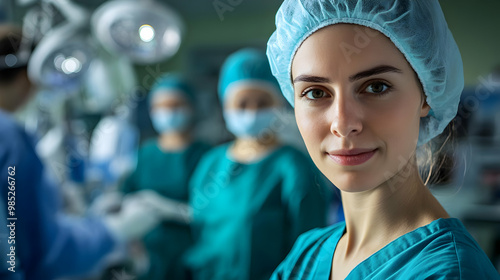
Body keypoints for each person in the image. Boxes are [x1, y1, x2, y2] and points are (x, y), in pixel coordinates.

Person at [266, 0, 500, 279]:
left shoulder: (448, 272)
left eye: (376, 87)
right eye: (316, 93)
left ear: (426, 94)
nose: (342, 124)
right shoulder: (307, 253)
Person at [0, 25, 165, 280]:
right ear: (27, 77)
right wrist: (112, 232)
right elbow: (41, 254)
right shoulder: (9, 136)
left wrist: (79, 219)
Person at [184, 48, 329, 280]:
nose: (251, 112)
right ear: (225, 107)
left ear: (279, 104)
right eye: (241, 104)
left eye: (262, 103)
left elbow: (310, 242)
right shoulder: (211, 162)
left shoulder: (292, 165)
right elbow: (198, 226)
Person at [121, 74, 210, 280]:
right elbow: (127, 191)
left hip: (190, 254)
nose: (168, 112)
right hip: (146, 255)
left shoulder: (205, 155)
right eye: (161, 106)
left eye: (176, 105)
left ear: (192, 107)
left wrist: (171, 210)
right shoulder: (145, 153)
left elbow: (213, 210)